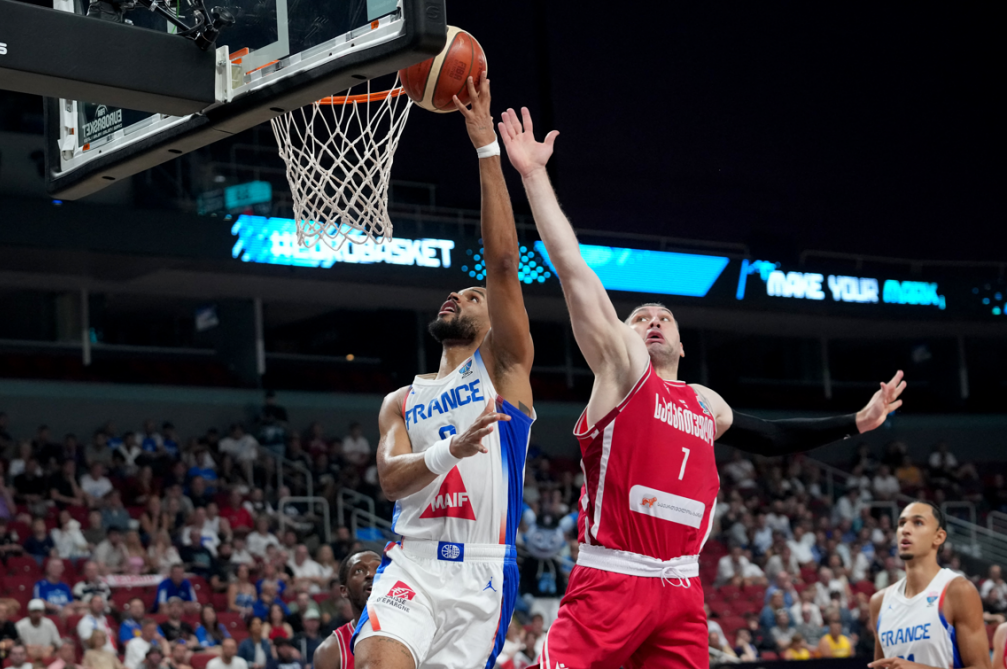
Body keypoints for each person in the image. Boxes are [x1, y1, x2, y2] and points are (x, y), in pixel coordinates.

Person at [497, 104, 909, 669]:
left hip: (683, 589)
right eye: (641, 318)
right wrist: (534, 175)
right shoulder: (622, 371)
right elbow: (572, 269)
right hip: (616, 577)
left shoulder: (704, 403)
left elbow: (768, 437)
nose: (654, 323)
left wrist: (855, 423)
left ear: (684, 346)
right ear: (624, 333)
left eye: (665, 318)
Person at [355, 75, 535, 669]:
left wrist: (486, 147)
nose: (457, 295)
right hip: (411, 559)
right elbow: (389, 479)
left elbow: (504, 262)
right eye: (454, 292)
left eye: (473, 296)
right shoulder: (400, 400)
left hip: (483, 570)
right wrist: (451, 449)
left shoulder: (504, 368)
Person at [872, 501, 989, 669]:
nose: (905, 529)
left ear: (938, 537)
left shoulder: (957, 590)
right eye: (901, 523)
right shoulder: (879, 602)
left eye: (918, 522)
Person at [313, 551, 378, 669]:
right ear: (344, 591)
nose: (371, 574)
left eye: (378, 568)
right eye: (359, 571)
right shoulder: (330, 651)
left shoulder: (413, 632)